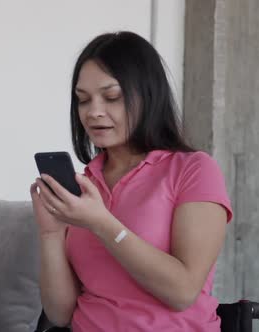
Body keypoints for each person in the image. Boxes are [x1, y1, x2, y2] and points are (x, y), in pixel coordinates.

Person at [30, 31, 232, 332]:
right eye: (83, 100)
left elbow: (182, 292)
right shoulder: (86, 186)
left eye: (112, 97)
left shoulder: (194, 170)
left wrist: (101, 223)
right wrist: (50, 234)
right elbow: (60, 314)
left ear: (148, 94)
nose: (93, 112)